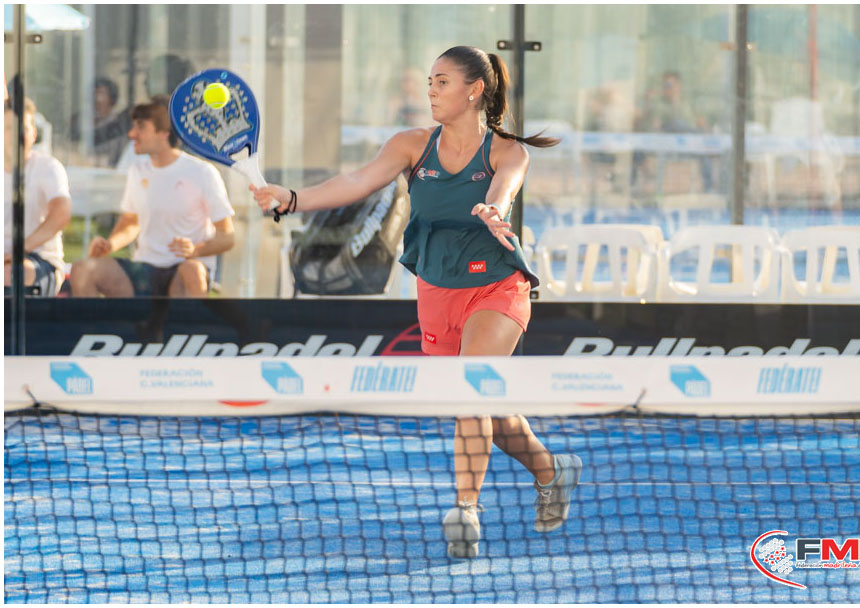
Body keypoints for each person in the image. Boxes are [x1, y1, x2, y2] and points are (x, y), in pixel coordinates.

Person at [250, 46, 582, 559]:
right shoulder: (410, 145)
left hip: (497, 286)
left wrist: (493, 211)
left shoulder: (508, 151)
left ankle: (465, 511)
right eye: (430, 81)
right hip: (437, 290)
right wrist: (292, 199)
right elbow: (356, 182)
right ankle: (551, 470)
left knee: (473, 391)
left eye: (442, 82)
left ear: (474, 90)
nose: (431, 90)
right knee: (488, 408)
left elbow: (504, 189)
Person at [69, 96, 235, 297]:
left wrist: (195, 250)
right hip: (144, 270)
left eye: (141, 127)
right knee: (82, 270)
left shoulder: (202, 172)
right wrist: (110, 244)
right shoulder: (137, 171)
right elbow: (131, 222)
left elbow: (227, 237)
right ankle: (98, 320)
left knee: (192, 271)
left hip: (185, 269)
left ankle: (188, 319)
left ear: (164, 133)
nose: (131, 134)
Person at [4, 97, 72, 296]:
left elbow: (62, 214)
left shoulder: (48, 168)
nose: (17, 135)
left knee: (11, 273)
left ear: (33, 134)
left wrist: (19, 250)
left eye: (23, 128)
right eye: (9, 128)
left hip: (39, 261)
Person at [632, 70, 714, 192]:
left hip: (689, 143)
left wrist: (705, 129)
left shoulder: (688, 104)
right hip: (668, 144)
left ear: (679, 86)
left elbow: (701, 122)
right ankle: (634, 184)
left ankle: (709, 187)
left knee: (703, 146)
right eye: (665, 85)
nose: (668, 88)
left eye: (670, 85)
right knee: (676, 123)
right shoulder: (660, 105)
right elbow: (654, 125)